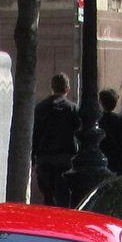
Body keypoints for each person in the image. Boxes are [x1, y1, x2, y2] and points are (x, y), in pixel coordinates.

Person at [30, 73, 81, 206]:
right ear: (67, 89)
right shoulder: (73, 109)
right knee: (63, 199)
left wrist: (33, 160)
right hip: (65, 160)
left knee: (47, 197)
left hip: (45, 160)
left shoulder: (40, 108)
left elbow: (35, 135)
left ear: (51, 87)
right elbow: (79, 134)